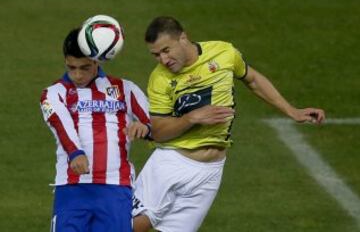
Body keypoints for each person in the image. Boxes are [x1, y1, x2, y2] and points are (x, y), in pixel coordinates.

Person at [132, 16, 325, 232]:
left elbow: (252, 79)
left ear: (183, 38)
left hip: (211, 170)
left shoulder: (223, 53)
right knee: (133, 226)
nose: (163, 60)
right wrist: (191, 118)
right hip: (172, 162)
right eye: (156, 55)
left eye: (166, 50)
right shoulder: (160, 78)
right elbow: (158, 132)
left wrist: (292, 111)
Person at [40, 28, 151, 232]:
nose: (77, 75)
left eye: (84, 68)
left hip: (115, 188)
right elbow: (60, 123)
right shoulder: (54, 93)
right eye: (71, 67)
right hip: (71, 188)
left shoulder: (124, 89)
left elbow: (153, 119)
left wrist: (145, 126)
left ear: (97, 61)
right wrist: (76, 153)